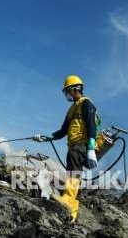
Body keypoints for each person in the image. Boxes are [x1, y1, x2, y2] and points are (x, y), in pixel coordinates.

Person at [32, 75, 99, 223]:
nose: (66, 95)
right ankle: (72, 211)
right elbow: (62, 131)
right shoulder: (71, 110)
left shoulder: (87, 104)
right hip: (74, 146)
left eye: (66, 91)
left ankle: (68, 199)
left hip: (82, 144)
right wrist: (45, 137)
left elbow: (91, 125)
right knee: (72, 172)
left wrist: (91, 148)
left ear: (75, 89)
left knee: (74, 173)